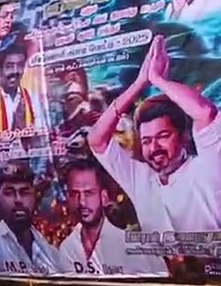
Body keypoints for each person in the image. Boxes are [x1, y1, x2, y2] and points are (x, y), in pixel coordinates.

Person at [89, 34, 221, 233]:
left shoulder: (206, 166)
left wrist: (158, 80)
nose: (154, 148)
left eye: (163, 136)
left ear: (184, 136)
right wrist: (140, 83)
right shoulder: (140, 179)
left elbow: (205, 112)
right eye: (147, 140)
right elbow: (96, 140)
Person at [58, 159, 166, 276]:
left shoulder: (134, 247)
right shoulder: (68, 248)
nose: (82, 202)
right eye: (75, 194)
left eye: (89, 193)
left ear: (104, 197)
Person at [0, 161, 62, 274]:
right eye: (9, 193)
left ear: (34, 196)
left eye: (24, 192)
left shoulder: (50, 250)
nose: (18, 200)